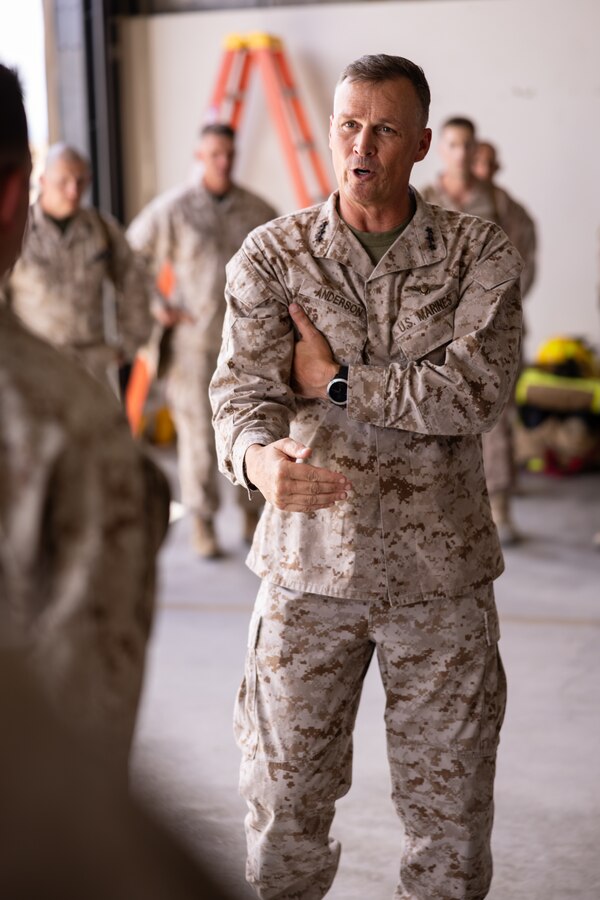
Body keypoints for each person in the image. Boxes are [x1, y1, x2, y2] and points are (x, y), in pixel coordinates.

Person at [210, 54, 522, 900]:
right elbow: (239, 393)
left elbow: (476, 392)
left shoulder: (475, 253)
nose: (363, 144)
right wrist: (255, 458)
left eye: (385, 129)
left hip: (440, 580)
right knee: (282, 807)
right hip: (308, 573)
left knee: (450, 822)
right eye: (349, 124)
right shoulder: (274, 256)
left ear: (421, 142)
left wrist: (336, 381)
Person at [0, 63, 170, 774]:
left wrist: (126, 345)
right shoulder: (68, 439)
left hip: (84, 364)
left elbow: (136, 287)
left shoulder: (103, 232)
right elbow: (77, 756)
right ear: (20, 191)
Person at [127, 123, 278, 559]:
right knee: (196, 436)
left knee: (254, 426)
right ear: (200, 156)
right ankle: (202, 521)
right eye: (214, 154)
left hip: (249, 343)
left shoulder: (257, 209)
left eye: (229, 153)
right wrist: (158, 304)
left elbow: (284, 263)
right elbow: (132, 253)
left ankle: (252, 518)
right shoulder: (176, 208)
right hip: (193, 343)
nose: (223, 161)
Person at [421, 118, 537, 544]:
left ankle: (500, 508)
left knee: (496, 418)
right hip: (433, 335)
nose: (461, 153)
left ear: (476, 149)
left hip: (491, 333)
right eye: (453, 144)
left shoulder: (500, 204)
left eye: (468, 145)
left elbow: (523, 262)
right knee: (431, 413)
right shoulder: (424, 202)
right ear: (440, 149)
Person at [1, 142, 152, 395]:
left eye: (80, 181)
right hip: (35, 366)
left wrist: (127, 342)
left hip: (92, 367)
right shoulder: (18, 231)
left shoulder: (101, 230)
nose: (73, 191)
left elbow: (134, 278)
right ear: (42, 180)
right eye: (63, 182)